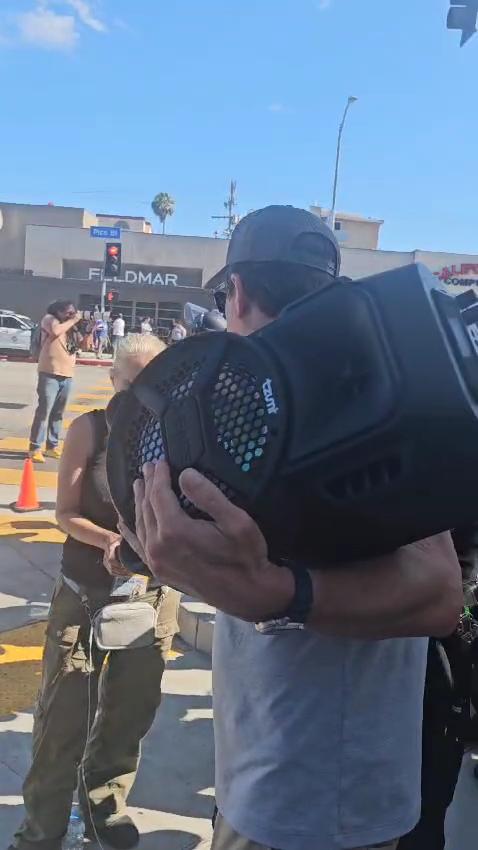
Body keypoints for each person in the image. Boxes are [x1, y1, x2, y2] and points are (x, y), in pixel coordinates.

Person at [126, 207, 463, 850]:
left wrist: (279, 592)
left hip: (319, 804)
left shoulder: (368, 386)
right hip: (271, 775)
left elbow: (441, 592)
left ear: (237, 293)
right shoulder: (252, 407)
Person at [9, 333, 180, 850]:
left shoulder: (178, 429)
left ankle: (105, 812)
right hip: (85, 593)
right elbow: (65, 513)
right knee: (62, 720)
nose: (142, 394)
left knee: (128, 716)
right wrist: (109, 541)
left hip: (151, 596)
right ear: (112, 380)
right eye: (132, 383)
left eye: (154, 382)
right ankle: (42, 831)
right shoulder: (91, 428)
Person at [29, 300, 81, 463]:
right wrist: (73, 321)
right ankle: (35, 447)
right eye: (68, 312)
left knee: (58, 413)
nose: (71, 315)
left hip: (67, 375)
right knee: (44, 411)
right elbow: (55, 331)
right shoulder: (49, 319)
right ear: (58, 311)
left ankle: (52, 446)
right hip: (49, 373)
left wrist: (87, 329)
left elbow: (85, 344)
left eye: (73, 312)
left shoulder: (69, 327)